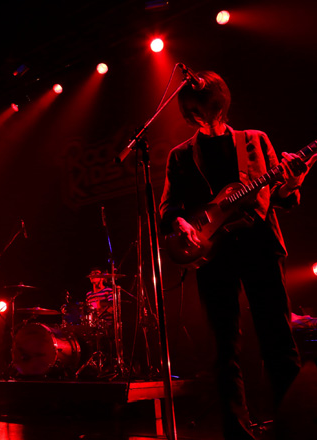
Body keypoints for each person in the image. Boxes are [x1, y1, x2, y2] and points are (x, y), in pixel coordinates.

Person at [159, 71, 316, 439]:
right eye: (190, 111)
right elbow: (167, 208)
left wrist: (293, 181)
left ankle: (297, 427)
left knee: (278, 338)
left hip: (260, 244)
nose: (197, 116)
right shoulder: (180, 155)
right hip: (212, 252)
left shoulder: (255, 141)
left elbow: (283, 199)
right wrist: (180, 223)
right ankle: (236, 431)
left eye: (202, 108)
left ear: (219, 105)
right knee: (223, 347)